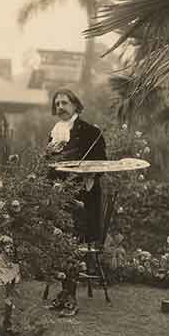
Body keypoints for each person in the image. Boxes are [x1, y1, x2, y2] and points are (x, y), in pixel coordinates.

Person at [45, 88, 107, 317]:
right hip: (59, 197)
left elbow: (101, 163)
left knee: (72, 242)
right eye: (57, 103)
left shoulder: (90, 132)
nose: (60, 107)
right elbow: (50, 168)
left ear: (75, 105)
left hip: (83, 198)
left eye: (65, 102)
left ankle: (70, 295)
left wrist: (88, 177)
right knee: (60, 243)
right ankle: (64, 292)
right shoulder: (55, 132)